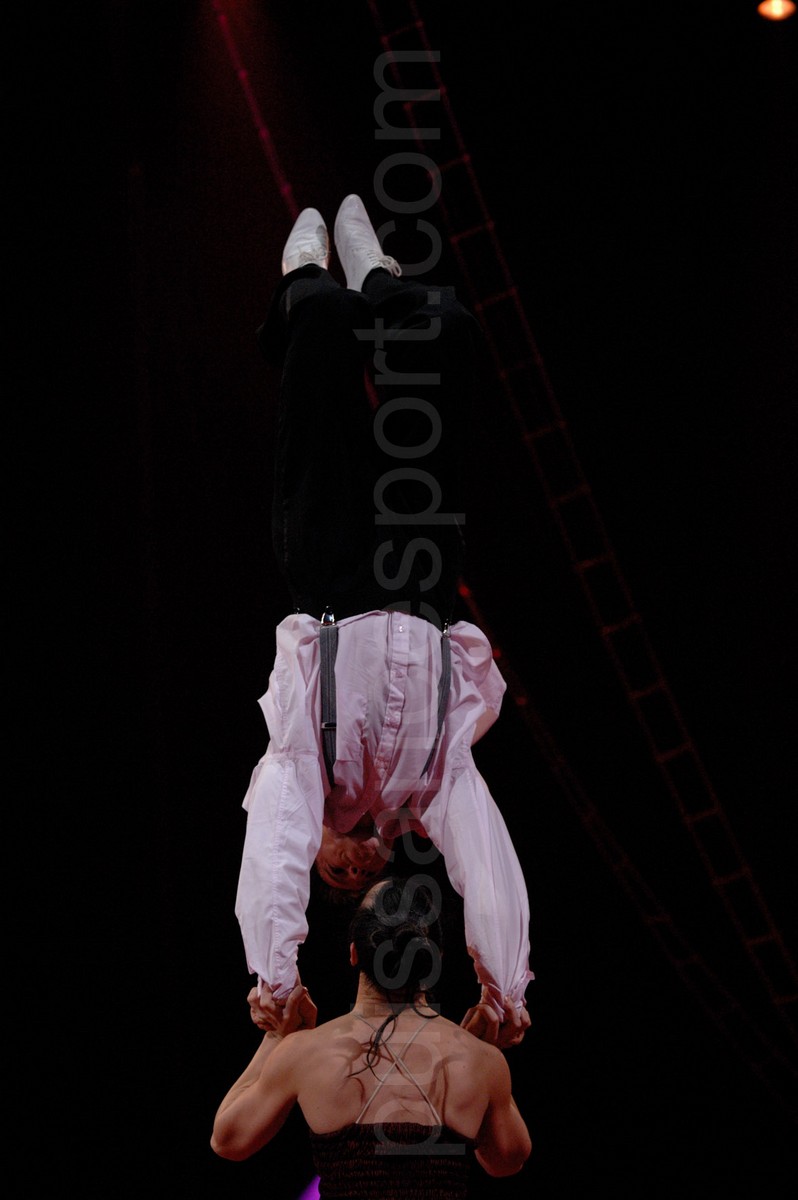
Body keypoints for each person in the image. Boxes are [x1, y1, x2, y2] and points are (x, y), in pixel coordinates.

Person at [235, 194, 534, 1049]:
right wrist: (503, 987)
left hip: (330, 577)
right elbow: (487, 860)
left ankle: (305, 280)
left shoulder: (298, 768)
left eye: (335, 870)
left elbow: (273, 852)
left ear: (320, 851)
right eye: (361, 872)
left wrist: (277, 981)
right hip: (424, 584)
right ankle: (378, 279)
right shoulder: (428, 783)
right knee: (451, 335)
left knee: (323, 330)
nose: (356, 863)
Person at [212, 877, 532, 1197]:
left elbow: (228, 1141)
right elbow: (506, 1162)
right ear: (436, 958)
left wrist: (277, 1037)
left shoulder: (304, 1052)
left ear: (353, 952)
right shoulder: (479, 1061)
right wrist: (486, 1056)